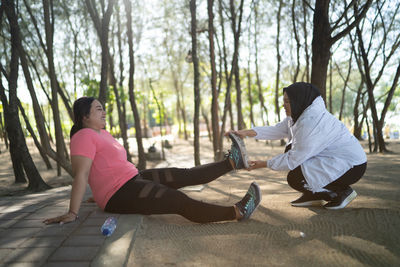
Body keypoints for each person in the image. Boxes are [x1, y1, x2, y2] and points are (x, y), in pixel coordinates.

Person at [43, 97, 261, 225]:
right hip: (121, 193)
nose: (104, 112)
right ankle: (237, 211)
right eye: (98, 109)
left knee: (184, 174)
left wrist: (98, 191)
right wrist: (73, 212)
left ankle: (232, 162)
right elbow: (81, 173)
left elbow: (99, 169)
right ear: (84, 116)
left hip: (133, 178)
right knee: (177, 201)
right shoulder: (83, 136)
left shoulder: (102, 133)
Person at [229, 82, 367, 210]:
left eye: (288, 102)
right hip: (332, 158)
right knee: (290, 150)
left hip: (352, 166)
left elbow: (293, 159)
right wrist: (245, 132)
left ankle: (340, 192)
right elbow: (276, 130)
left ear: (299, 101)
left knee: (295, 178)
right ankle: (314, 194)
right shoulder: (298, 115)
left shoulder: (312, 123)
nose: (284, 105)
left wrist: (263, 164)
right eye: (284, 101)